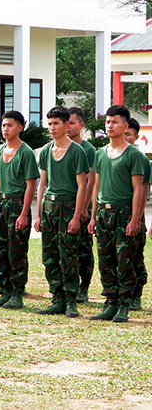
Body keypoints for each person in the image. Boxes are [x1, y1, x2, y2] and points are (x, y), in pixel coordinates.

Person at [87, 106, 147, 322]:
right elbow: (96, 186)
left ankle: (124, 304)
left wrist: (135, 219)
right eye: (108, 122)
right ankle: (110, 302)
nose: (110, 125)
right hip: (104, 212)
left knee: (125, 260)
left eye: (114, 122)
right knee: (105, 260)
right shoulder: (100, 153)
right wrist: (93, 216)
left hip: (124, 213)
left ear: (125, 126)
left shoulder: (134, 156)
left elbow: (139, 189)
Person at [34, 106, 88, 318]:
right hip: (49, 205)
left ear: (67, 125)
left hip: (68, 206)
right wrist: (38, 214)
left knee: (69, 255)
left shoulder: (77, 151)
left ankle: (71, 300)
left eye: (56, 123)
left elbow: (82, 186)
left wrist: (76, 216)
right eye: (49, 124)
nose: (52, 128)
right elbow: (43, 183)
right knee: (50, 255)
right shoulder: (46, 150)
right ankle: (57, 297)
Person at [0, 111, 39, 310]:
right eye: (3, 125)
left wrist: (24, 213)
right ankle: (4, 289)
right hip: (1, 204)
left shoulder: (25, 152)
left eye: (10, 125)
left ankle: (17, 292)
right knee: (0, 251)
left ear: (20, 128)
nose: (5, 129)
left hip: (17, 204)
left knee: (16, 250)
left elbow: (30, 184)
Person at [67, 106, 97, 303]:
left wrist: (84, 208)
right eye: (66, 123)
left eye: (73, 123)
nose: (69, 126)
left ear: (82, 125)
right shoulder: (59, 147)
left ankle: (84, 286)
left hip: (82, 206)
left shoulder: (88, 150)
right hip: (63, 206)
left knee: (83, 249)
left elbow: (91, 180)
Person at [125, 117, 151, 311]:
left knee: (135, 256)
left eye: (128, 134)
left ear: (135, 137)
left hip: (136, 214)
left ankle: (136, 294)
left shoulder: (141, 160)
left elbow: (143, 190)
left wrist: (139, 218)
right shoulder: (111, 155)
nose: (125, 138)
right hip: (117, 213)